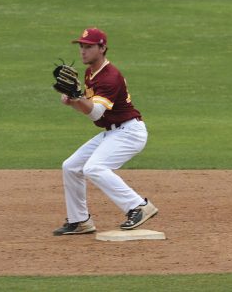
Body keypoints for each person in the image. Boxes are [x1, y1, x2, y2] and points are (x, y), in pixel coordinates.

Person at [53, 27, 158, 236]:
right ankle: (80, 220)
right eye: (81, 46)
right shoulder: (91, 72)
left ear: (102, 48)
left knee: (94, 167)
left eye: (89, 47)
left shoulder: (110, 77)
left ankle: (138, 206)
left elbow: (95, 113)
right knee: (71, 166)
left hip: (130, 132)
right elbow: (89, 108)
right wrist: (73, 100)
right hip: (113, 132)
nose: (83, 51)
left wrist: (76, 97)